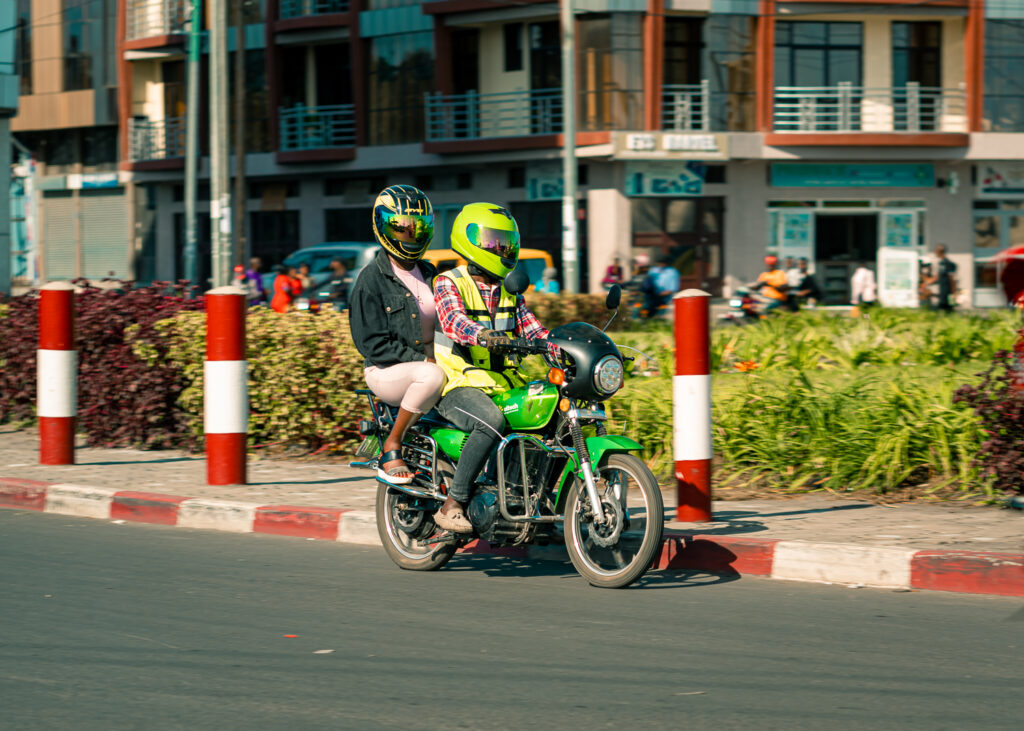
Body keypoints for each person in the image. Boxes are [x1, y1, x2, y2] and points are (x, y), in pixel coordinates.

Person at [431, 203, 552, 533]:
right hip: (456, 383)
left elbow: (535, 331)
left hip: (503, 383)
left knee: (549, 414)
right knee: (492, 421)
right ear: (470, 241)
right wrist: (484, 335)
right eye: (494, 242)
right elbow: (454, 321)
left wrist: (564, 346)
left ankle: (532, 499)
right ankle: (452, 504)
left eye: (507, 242)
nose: (502, 249)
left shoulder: (509, 290)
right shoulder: (448, 281)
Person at [349, 185, 445, 485]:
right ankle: (392, 445)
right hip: (387, 371)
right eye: (402, 228)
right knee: (431, 377)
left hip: (433, 363)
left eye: (419, 228)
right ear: (382, 226)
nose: (411, 235)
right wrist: (425, 359)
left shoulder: (431, 272)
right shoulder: (371, 279)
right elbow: (372, 345)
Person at [929, 245, 958, 312]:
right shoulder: (941, 263)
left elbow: (952, 278)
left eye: (936, 251)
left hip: (948, 291)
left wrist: (954, 292)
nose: (935, 253)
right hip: (942, 291)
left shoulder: (947, 263)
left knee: (948, 309)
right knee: (944, 309)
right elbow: (938, 276)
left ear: (940, 252)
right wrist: (928, 282)